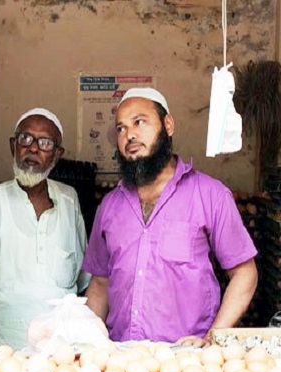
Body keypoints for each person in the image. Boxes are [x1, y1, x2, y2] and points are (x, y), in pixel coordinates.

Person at [82, 88, 258, 348]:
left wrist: (213, 336)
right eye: (121, 128)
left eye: (139, 122)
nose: (129, 135)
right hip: (121, 358)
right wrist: (88, 343)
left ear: (168, 125)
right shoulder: (109, 206)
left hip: (188, 362)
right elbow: (99, 283)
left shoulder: (210, 195)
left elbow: (245, 274)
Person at [0, 108, 89, 359]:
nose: (33, 149)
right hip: (3, 356)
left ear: (58, 155)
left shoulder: (70, 201)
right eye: (26, 139)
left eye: (45, 143)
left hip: (60, 356)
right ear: (13, 145)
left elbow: (84, 279)